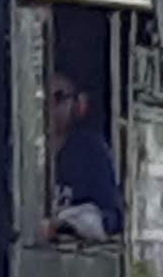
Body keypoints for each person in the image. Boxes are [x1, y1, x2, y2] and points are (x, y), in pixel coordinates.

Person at [45, 69, 121, 242]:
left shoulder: (91, 151)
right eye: (42, 97)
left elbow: (113, 218)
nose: (48, 106)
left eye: (58, 97)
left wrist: (71, 225)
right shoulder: (28, 150)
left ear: (79, 104)